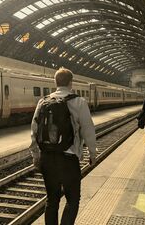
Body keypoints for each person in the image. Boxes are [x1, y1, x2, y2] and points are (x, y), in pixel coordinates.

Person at [30, 67, 96, 225]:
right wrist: (92, 154)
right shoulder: (79, 102)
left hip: (47, 158)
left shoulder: (43, 101)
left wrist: (36, 156)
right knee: (72, 200)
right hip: (68, 159)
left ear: (55, 82)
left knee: (51, 200)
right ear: (71, 83)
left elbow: (34, 130)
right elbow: (88, 130)